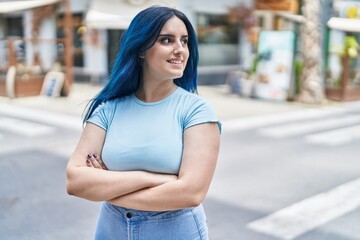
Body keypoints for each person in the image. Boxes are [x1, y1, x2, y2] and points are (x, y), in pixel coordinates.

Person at [66, 5, 221, 240]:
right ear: (140, 49)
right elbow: (75, 180)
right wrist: (154, 179)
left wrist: (107, 188)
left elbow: (191, 193)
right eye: (167, 40)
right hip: (111, 230)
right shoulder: (109, 108)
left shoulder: (196, 110)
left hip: (175, 232)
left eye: (185, 41)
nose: (180, 49)